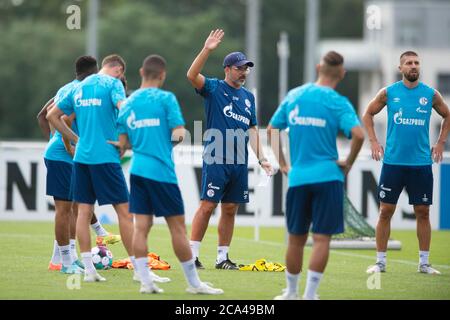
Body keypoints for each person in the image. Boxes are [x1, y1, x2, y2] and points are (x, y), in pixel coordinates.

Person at [113, 54, 223, 294]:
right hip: (161, 172)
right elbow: (179, 134)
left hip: (138, 172)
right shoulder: (165, 99)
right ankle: (194, 284)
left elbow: (123, 145)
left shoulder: (127, 103)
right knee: (178, 229)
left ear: (141, 72)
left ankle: (145, 282)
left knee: (141, 227)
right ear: (162, 75)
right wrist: (162, 144)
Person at [268, 51, 364, 300]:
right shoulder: (338, 102)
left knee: (296, 239)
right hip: (328, 177)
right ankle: (310, 295)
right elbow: (359, 135)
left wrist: (283, 164)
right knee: (321, 239)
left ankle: (290, 292)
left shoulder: (294, 95)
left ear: (318, 67)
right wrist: (348, 164)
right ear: (341, 74)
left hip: (298, 178)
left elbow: (271, 129)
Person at [186, 29, 273, 270]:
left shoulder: (248, 98)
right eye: (239, 68)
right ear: (227, 69)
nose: (244, 72)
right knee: (207, 205)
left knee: (231, 208)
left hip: (239, 160)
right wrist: (207, 49)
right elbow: (191, 75)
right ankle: (191, 256)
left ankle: (222, 258)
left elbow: (252, 129)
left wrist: (263, 158)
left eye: (246, 68)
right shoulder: (214, 88)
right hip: (216, 156)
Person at [46, 54, 135, 282]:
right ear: (117, 71)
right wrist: (73, 142)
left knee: (80, 210)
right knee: (69, 210)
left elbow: (46, 115)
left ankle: (77, 263)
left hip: (80, 156)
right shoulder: (106, 86)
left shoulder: (72, 87)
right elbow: (63, 120)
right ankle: (65, 260)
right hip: (76, 155)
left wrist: (77, 142)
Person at [363, 51, 449, 275]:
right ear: (400, 68)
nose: (413, 66)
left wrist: (440, 143)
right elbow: (367, 114)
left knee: (423, 211)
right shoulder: (389, 93)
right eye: (409, 63)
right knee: (385, 211)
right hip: (393, 163)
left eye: (416, 63)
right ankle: (380, 262)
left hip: (421, 164)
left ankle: (424, 264)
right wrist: (373, 141)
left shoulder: (430, 94)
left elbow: (447, 115)